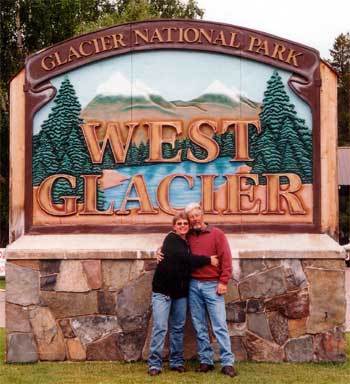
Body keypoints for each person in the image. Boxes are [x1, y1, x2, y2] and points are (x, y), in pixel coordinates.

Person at [148, 211, 219, 376]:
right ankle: (154, 364)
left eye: (185, 224)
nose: (182, 226)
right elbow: (185, 259)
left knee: (178, 328)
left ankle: (176, 362)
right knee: (160, 327)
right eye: (179, 224)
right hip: (163, 293)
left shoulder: (188, 242)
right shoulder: (171, 239)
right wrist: (209, 259)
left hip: (180, 294)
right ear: (174, 227)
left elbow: (188, 257)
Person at [185, 202, 237, 377]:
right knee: (199, 325)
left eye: (197, 215)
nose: (195, 219)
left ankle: (227, 363)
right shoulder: (188, 236)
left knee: (219, 325)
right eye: (191, 217)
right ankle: (206, 361)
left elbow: (226, 259)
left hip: (213, 285)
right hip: (193, 285)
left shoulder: (217, 234)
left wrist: (223, 281)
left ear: (203, 215)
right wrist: (159, 250)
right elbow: (174, 246)